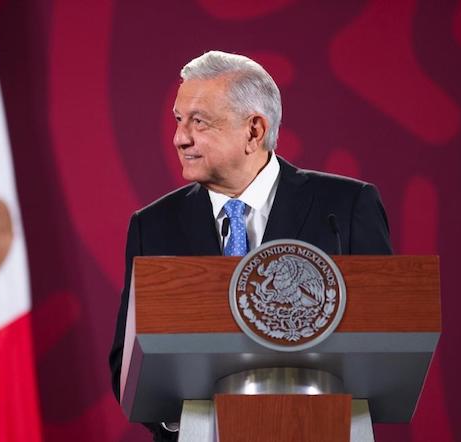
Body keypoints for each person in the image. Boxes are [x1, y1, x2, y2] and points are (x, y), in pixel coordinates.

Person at [109, 50, 392, 441]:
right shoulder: (152, 226)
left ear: (254, 130)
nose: (179, 138)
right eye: (178, 120)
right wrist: (193, 421)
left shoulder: (344, 208)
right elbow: (126, 363)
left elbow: (388, 334)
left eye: (198, 122)